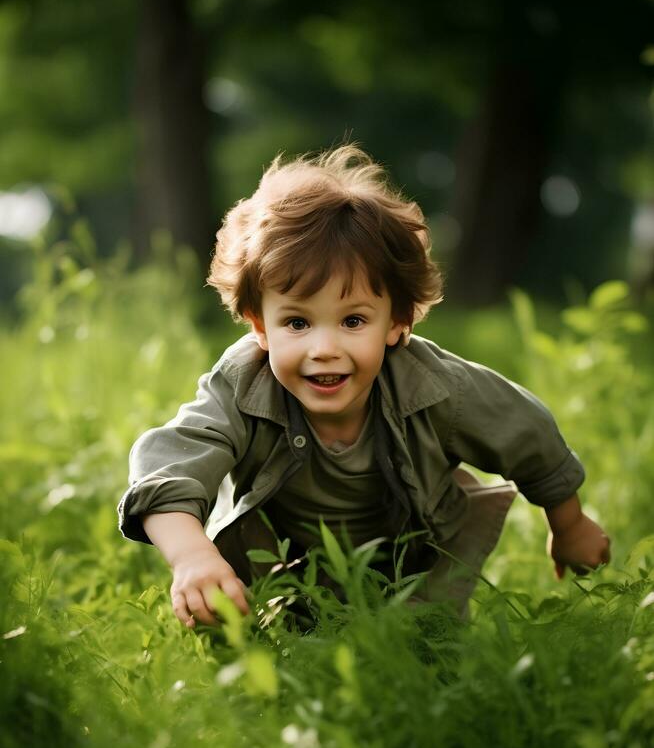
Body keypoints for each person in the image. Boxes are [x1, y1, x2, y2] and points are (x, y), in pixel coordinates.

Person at [117, 144, 611, 628]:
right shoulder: (242, 386)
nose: (324, 348)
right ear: (258, 326)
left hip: (412, 566)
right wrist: (191, 557)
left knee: (421, 653)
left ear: (396, 321)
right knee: (248, 636)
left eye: (353, 320)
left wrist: (569, 526)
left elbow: (527, 434)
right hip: (282, 573)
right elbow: (168, 466)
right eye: (296, 323)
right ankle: (260, 632)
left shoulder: (435, 387)